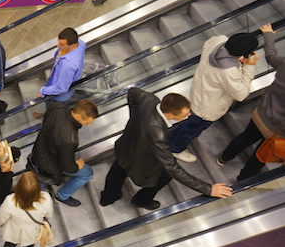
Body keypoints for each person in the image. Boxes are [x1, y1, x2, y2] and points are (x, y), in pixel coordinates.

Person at [100, 89, 233, 210]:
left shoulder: (148, 98)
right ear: (169, 115)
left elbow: (132, 92)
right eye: (185, 113)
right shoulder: (158, 134)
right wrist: (208, 189)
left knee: (118, 169)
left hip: (126, 146)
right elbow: (172, 167)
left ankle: (108, 197)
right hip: (141, 159)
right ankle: (142, 199)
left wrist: (134, 118)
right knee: (164, 176)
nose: (189, 114)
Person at [170, 33, 258, 163]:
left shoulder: (218, 41)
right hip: (207, 109)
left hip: (197, 94)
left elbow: (209, 44)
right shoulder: (228, 71)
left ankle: (169, 138)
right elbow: (241, 94)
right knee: (192, 130)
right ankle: (176, 149)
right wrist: (249, 67)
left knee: (188, 124)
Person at [219, 24, 285, 180]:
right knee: (261, 155)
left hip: (262, 114)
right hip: (279, 131)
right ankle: (242, 181)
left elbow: (270, 56)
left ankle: (224, 157)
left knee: (246, 137)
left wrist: (268, 36)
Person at [28, 100, 98, 206]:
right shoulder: (70, 139)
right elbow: (67, 166)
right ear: (78, 116)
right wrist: (76, 166)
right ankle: (62, 196)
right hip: (50, 167)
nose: (90, 124)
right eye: (88, 122)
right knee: (88, 173)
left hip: (37, 153)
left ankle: (32, 202)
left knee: (38, 181)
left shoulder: (57, 107)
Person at [0, 171, 54, 247]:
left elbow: (1, 218)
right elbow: (49, 215)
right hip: (32, 231)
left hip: (13, 230)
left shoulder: (10, 200)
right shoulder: (46, 198)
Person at [33, 27, 86, 119]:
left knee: (52, 111)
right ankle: (46, 116)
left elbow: (61, 88)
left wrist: (43, 91)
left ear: (73, 45)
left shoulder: (68, 65)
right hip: (55, 80)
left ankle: (46, 120)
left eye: (62, 44)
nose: (58, 45)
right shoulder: (80, 44)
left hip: (57, 96)